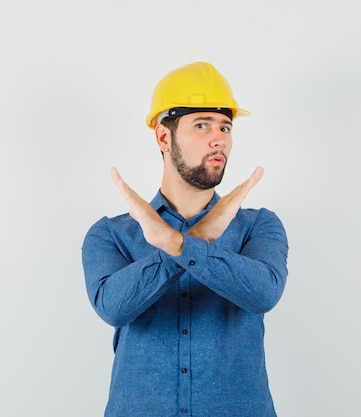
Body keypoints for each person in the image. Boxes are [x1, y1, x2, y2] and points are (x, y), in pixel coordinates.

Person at [81, 61, 289, 417]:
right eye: (202, 125)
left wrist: (177, 243)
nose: (219, 138)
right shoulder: (111, 233)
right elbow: (113, 308)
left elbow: (264, 293)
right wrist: (196, 240)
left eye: (225, 126)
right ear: (164, 137)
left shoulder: (259, 226)